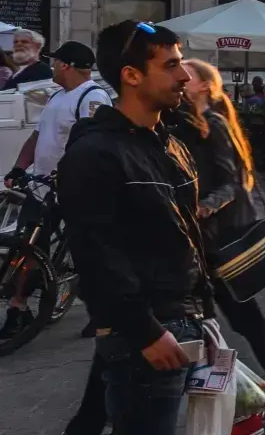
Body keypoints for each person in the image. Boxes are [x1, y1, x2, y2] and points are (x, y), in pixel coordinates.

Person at [58, 21, 207, 434]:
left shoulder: (169, 143)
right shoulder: (95, 153)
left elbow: (184, 235)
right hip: (145, 336)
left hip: (177, 324)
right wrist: (145, 332)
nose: (185, 76)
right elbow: (95, 254)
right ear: (131, 75)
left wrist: (203, 314)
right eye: (172, 65)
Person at [176, 60, 265, 428]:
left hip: (216, 243)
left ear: (205, 86)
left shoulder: (213, 126)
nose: (180, 78)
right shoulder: (188, 125)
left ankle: (254, 405)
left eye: (187, 74)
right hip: (205, 243)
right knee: (228, 323)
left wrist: (200, 207)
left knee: (220, 324)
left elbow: (234, 183)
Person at [8, 42, 113, 182]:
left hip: (70, 192)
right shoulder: (56, 96)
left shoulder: (93, 96)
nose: (52, 67)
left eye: (55, 62)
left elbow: (94, 145)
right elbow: (37, 136)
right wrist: (19, 169)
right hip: (42, 189)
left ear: (65, 65)